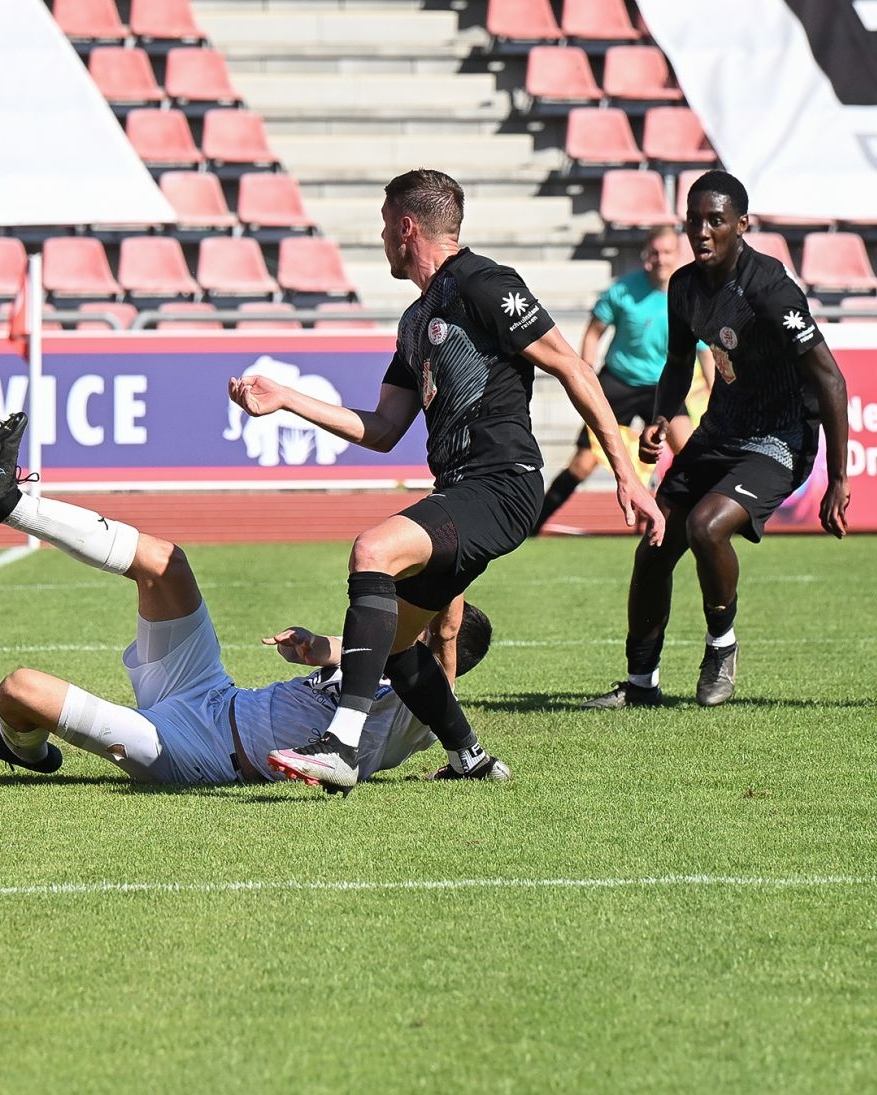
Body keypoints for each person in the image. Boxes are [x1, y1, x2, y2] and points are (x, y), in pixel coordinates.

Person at [224, 169, 663, 790]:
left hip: (503, 484)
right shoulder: (415, 322)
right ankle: (470, 759)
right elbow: (382, 428)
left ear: (407, 228)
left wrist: (626, 475)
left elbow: (572, 366)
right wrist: (287, 399)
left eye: (385, 226)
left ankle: (341, 747)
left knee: (372, 550)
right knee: (397, 646)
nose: (381, 238)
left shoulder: (485, 283)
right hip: (461, 490)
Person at [0, 415, 491, 795]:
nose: (403, 617)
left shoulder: (425, 710)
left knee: (19, 689)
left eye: (419, 622)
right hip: (211, 692)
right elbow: (351, 648)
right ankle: (8, 502)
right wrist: (314, 646)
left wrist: (456, 515)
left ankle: (26, 751)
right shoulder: (380, 662)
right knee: (166, 563)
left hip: (200, 753)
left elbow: (444, 636)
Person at [586, 171, 851, 710]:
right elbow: (677, 362)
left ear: (742, 225)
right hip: (720, 430)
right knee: (656, 542)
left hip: (779, 438)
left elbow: (831, 380)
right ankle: (641, 684)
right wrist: (662, 419)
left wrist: (840, 478)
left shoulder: (770, 290)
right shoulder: (684, 286)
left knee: (706, 528)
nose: (702, 231)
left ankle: (721, 647)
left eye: (716, 220)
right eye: (694, 220)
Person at [537, 226, 714, 532]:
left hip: (664, 387)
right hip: (619, 382)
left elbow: (705, 352)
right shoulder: (623, 290)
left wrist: (716, 394)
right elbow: (594, 332)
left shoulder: (689, 296)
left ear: (678, 254)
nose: (660, 259)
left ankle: (698, 522)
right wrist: (587, 374)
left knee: (689, 455)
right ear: (646, 254)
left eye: (667, 252)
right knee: (583, 463)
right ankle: (533, 524)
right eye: (655, 252)